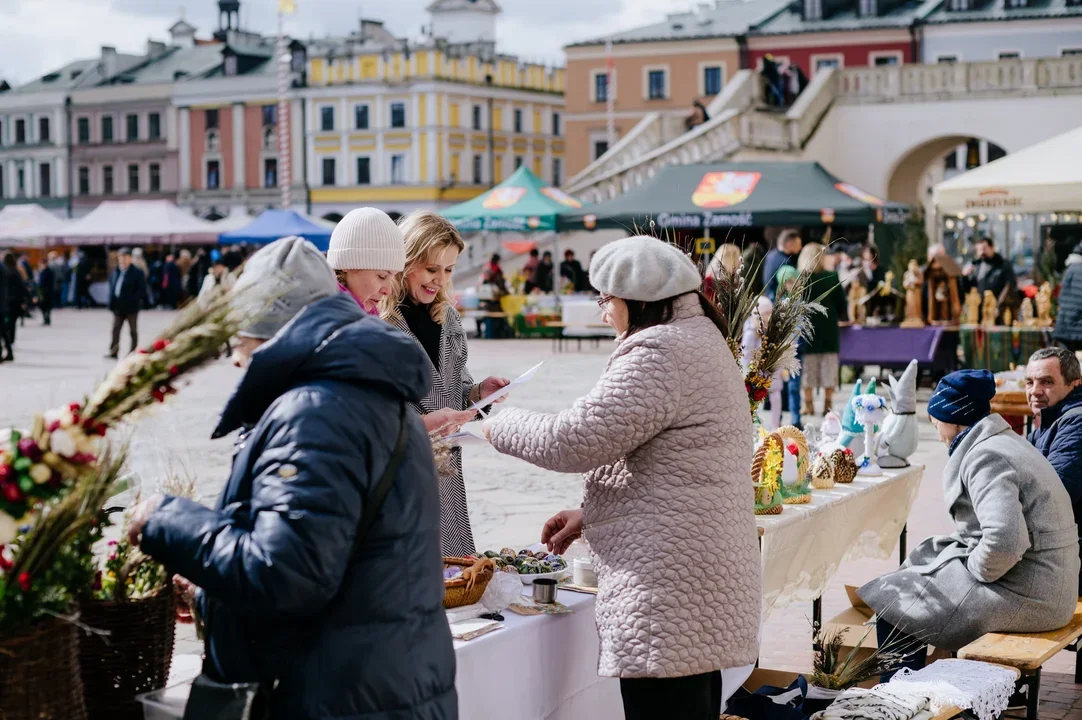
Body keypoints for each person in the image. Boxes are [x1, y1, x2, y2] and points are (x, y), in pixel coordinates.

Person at [126, 237, 457, 719]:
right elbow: (326, 554)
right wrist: (211, 590)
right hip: (374, 686)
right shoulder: (356, 389)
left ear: (269, 337)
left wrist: (166, 520)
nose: (238, 365)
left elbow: (285, 575)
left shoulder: (316, 410)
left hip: (339, 697)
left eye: (241, 349)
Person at [482, 236, 761, 720]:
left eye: (605, 300)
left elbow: (573, 439)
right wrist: (593, 512)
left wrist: (490, 423)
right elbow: (674, 465)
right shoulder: (697, 336)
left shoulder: (660, 351)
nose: (602, 313)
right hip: (692, 572)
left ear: (637, 300)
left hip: (669, 585)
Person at [859, 370, 1079, 680]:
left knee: (896, 606)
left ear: (955, 419)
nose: (934, 426)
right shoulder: (1000, 441)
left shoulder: (987, 456)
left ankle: (899, 700)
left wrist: (972, 570)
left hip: (1032, 593)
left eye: (936, 418)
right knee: (917, 576)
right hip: (1046, 581)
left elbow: (1005, 542)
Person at [380, 211, 509, 556]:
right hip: (401, 465)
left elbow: (456, 387)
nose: (439, 280)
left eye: (448, 270)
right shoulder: (380, 320)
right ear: (406, 261)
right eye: (431, 269)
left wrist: (480, 393)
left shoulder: (447, 317)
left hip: (446, 471)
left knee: (451, 575)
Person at [1025, 348, 1082, 589]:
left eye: (1047, 382)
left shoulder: (1076, 422)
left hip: (1070, 560)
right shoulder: (1047, 421)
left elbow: (1052, 499)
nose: (1035, 391)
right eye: (1029, 382)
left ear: (1074, 384)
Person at [327, 207, 405, 314]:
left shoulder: (366, 315)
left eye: (392, 278)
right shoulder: (332, 317)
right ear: (348, 265)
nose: (388, 291)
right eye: (382, 276)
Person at [798, 243, 846, 415]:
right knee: (828, 367)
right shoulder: (832, 277)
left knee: (808, 369)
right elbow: (842, 304)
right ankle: (828, 403)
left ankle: (808, 404)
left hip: (806, 331)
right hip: (828, 330)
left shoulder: (800, 279)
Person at [106, 248, 148, 359]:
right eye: (121, 257)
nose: (123, 260)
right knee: (116, 329)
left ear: (130, 258)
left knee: (133, 330)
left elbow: (141, 290)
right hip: (118, 306)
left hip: (131, 307)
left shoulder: (137, 272)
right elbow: (112, 287)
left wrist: (133, 300)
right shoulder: (116, 271)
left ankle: (133, 352)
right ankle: (113, 351)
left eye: (125, 257)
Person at [968, 236, 1017, 321]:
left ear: (992, 248)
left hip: (998, 309)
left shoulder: (1003, 265)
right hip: (979, 310)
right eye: (979, 250)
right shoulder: (976, 265)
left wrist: (999, 306)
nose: (981, 252)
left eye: (984, 249)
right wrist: (965, 275)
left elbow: (1009, 286)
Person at [1053, 243, 1082, 352]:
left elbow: (1061, 297)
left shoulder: (1069, 270)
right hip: (1078, 327)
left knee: (1067, 363)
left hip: (1064, 326)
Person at [1, 253, 28, 362]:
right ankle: (10, 349)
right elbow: (22, 286)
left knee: (6, 327)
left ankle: (8, 349)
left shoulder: (7, 271)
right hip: (9, 303)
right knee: (6, 328)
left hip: (9, 303)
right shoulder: (12, 271)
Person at [762, 230, 801, 301]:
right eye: (798, 244)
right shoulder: (785, 262)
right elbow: (792, 289)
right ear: (789, 244)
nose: (800, 247)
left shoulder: (771, 255)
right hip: (778, 301)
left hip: (769, 296)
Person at [479, 253, 509, 339]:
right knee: (490, 318)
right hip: (492, 305)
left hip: (493, 304)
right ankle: (490, 335)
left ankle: (491, 335)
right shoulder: (497, 271)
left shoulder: (493, 272)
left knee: (492, 318)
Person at [35, 258, 55, 326]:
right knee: (42, 306)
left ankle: (47, 319)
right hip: (42, 291)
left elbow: (47, 282)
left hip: (46, 291)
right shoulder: (42, 271)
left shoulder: (48, 271)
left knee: (47, 306)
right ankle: (45, 319)